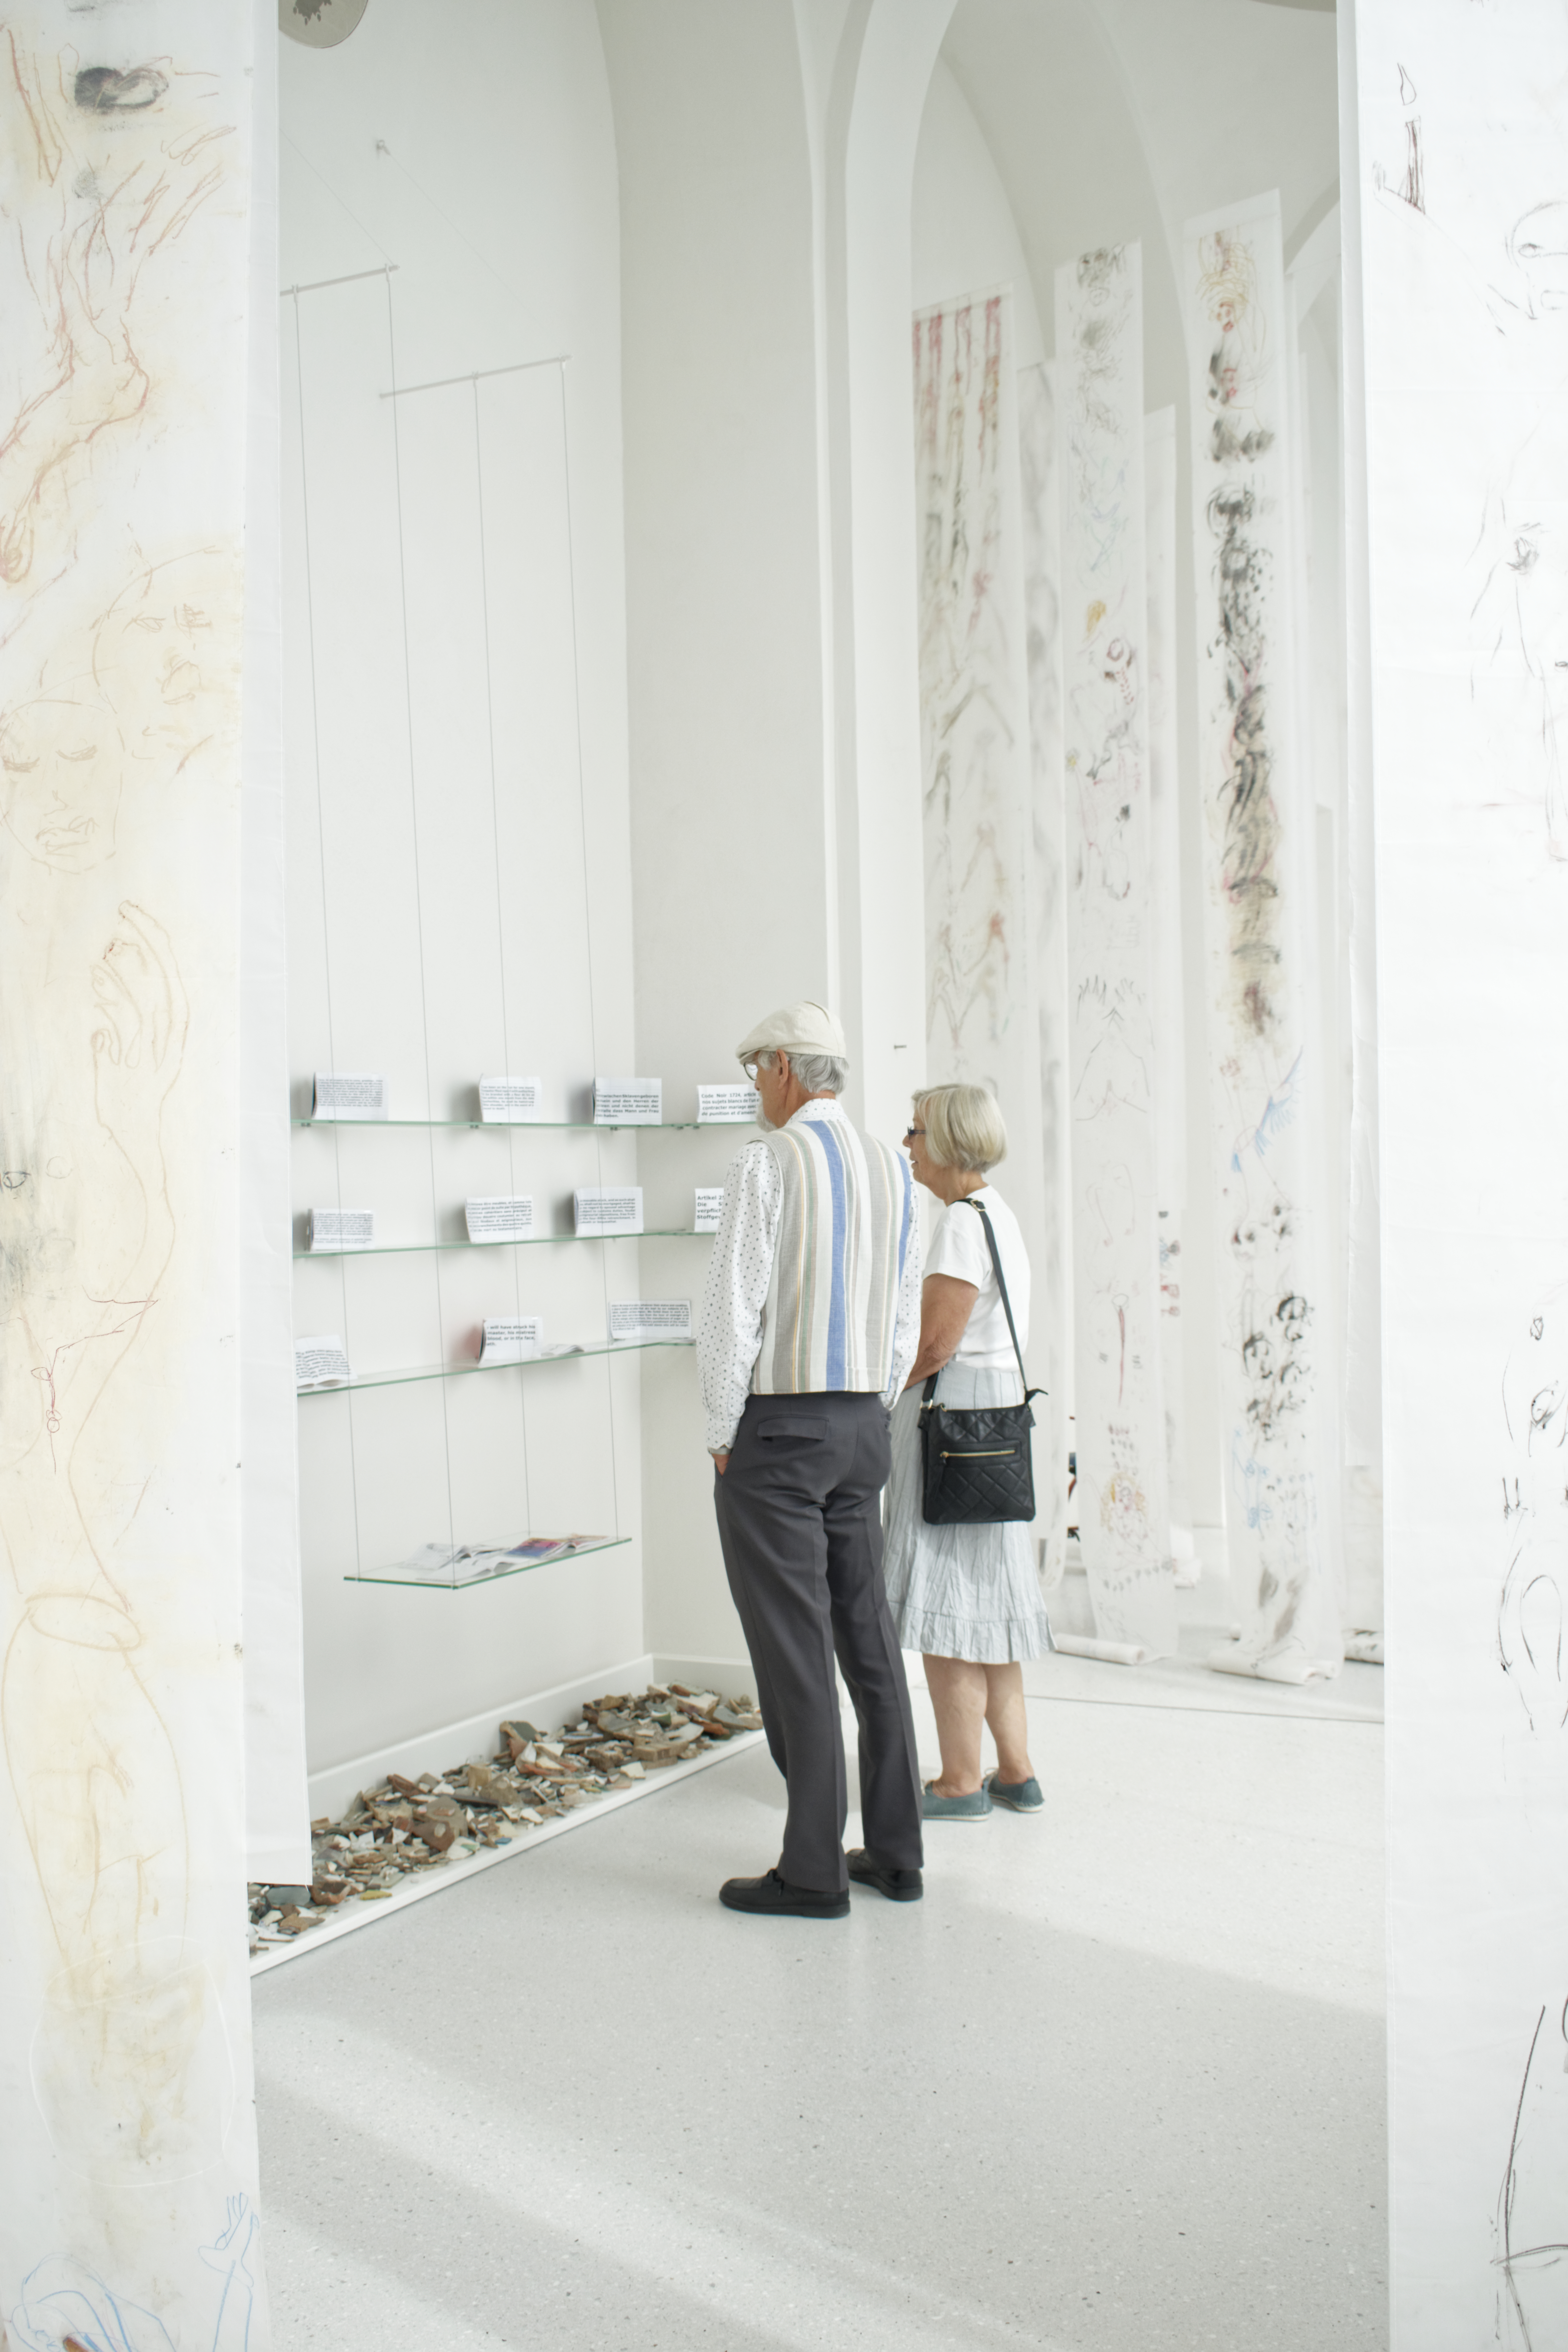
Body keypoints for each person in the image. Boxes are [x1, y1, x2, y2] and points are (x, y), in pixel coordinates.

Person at [697, 1001, 925, 1918]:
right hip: (862, 1427)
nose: (756, 1086)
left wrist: (723, 1433)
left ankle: (813, 1871)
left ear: (788, 1069)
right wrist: (874, 1402)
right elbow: (904, 1312)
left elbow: (732, 1310)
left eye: (759, 1070)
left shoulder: (767, 1164)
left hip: (779, 1434)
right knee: (868, 1641)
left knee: (793, 1650)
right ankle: (898, 1854)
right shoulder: (893, 1169)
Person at [884, 1083, 1053, 1820]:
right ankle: (1015, 1772)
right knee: (991, 1607)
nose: (907, 1144)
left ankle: (959, 1783)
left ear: (948, 1141)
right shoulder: (1000, 1215)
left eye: (916, 1131)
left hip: (952, 1425)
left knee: (948, 1608)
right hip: (995, 1428)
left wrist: (882, 1389)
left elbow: (936, 1344)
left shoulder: (957, 1224)